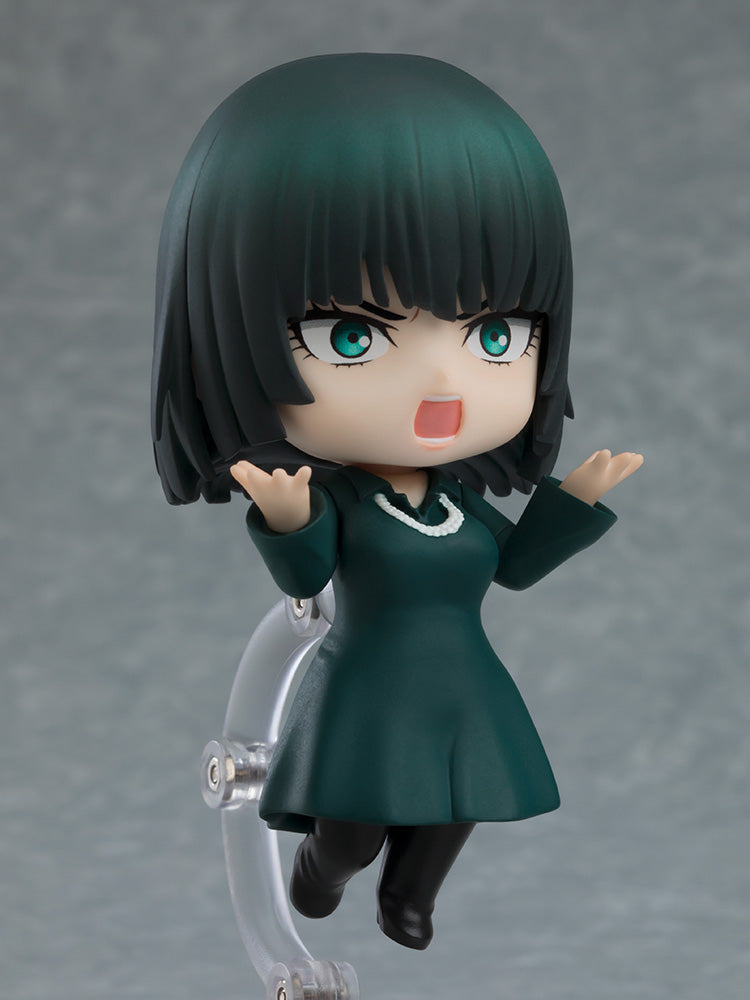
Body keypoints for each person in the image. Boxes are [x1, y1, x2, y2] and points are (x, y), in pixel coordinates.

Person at [151, 53, 643, 950]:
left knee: (462, 798)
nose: (444, 382)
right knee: (353, 827)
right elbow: (307, 576)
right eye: (351, 335)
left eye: (496, 333)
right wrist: (288, 517)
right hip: (366, 689)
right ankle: (322, 871)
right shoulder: (346, 498)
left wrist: (574, 503)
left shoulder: (455, 498)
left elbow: (514, 568)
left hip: (464, 683)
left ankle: (408, 898)